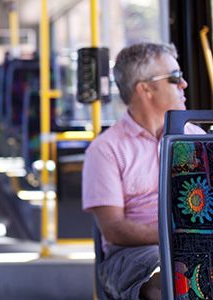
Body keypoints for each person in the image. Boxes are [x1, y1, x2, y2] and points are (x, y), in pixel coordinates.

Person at [82, 43, 203, 300]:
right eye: (175, 77)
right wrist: (175, 239)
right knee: (174, 274)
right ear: (145, 88)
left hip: (197, 244)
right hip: (133, 253)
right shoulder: (106, 149)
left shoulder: (195, 138)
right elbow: (113, 228)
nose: (184, 85)